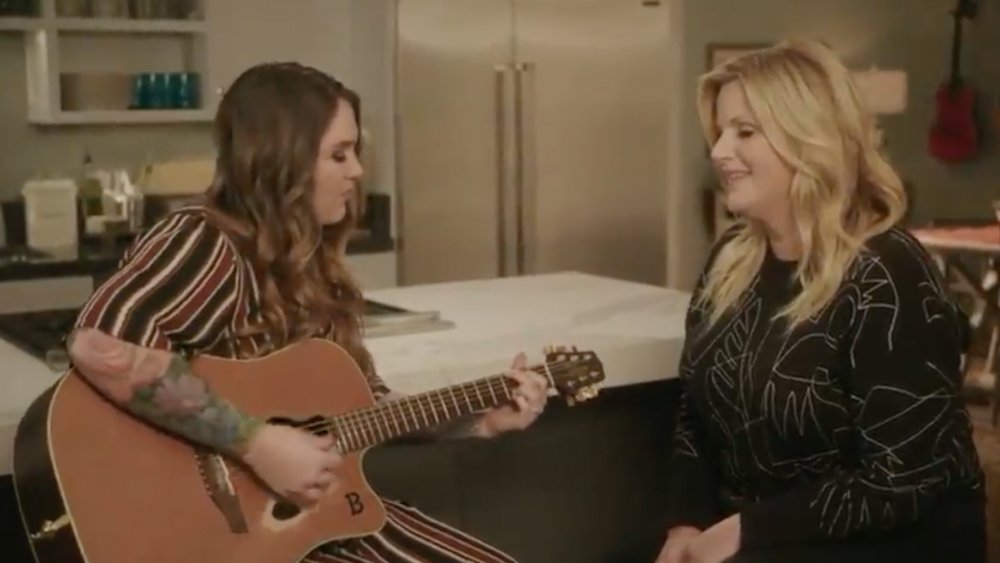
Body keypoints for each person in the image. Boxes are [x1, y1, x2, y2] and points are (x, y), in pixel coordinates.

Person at [66, 61, 548, 563]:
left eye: (354, 151)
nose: (358, 171)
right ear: (282, 163)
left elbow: (359, 411)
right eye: (339, 154)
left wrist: (477, 420)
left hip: (314, 528)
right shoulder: (208, 240)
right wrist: (254, 443)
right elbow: (99, 343)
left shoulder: (308, 261)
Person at [654, 39, 986, 563]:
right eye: (719, 132)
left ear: (808, 139)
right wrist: (685, 526)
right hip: (756, 536)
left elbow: (905, 479)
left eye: (745, 131)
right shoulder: (729, 262)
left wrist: (747, 529)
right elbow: (695, 417)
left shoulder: (885, 270)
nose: (718, 152)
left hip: (888, 545)